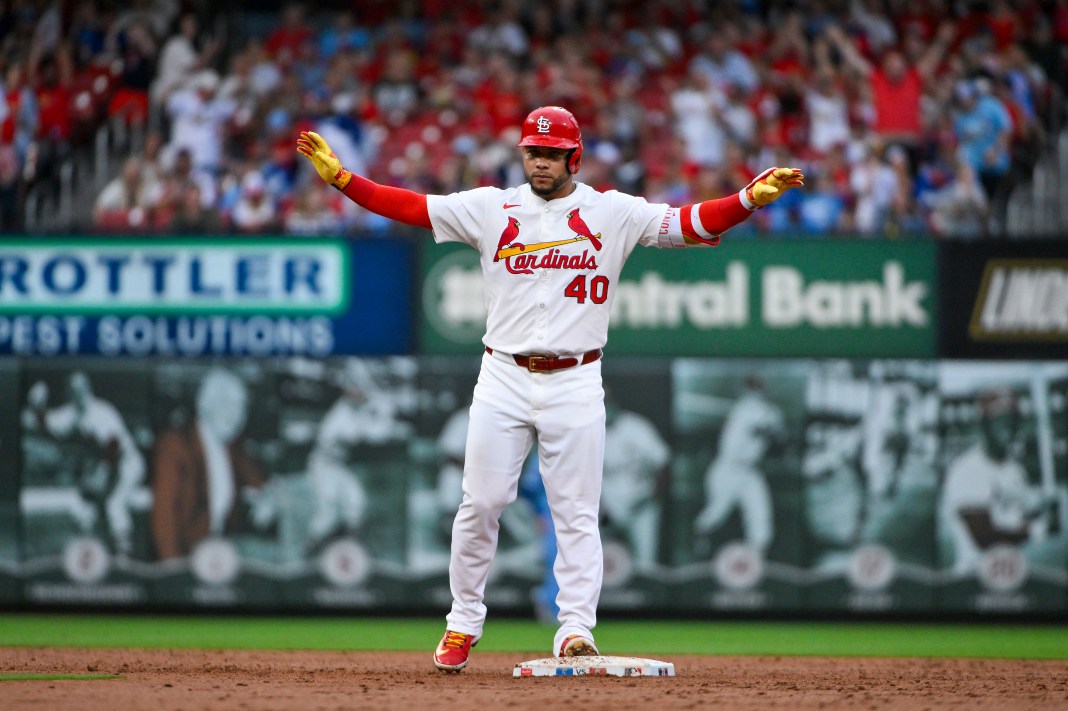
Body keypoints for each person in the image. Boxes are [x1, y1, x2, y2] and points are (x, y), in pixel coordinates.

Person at [296, 106, 803, 672]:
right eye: (533, 152)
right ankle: (463, 620)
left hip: (577, 377)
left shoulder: (611, 212)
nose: (540, 161)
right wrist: (343, 180)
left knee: (577, 512)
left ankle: (575, 630)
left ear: (574, 157)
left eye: (552, 153)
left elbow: (689, 224)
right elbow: (411, 207)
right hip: (503, 375)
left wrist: (748, 201)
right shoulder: (492, 206)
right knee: (480, 503)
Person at [150, 367, 275, 560]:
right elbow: (164, 518)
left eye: (241, 408)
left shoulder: (231, 445)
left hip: (220, 553)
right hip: (186, 558)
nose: (237, 416)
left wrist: (266, 498)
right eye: (227, 405)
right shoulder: (176, 446)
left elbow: (259, 480)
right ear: (204, 405)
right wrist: (173, 574)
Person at [22, 371, 146, 558]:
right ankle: (93, 556)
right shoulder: (71, 414)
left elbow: (114, 446)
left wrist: (101, 476)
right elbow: (42, 424)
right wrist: (36, 406)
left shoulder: (101, 412)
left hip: (127, 464)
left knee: (114, 505)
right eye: (74, 390)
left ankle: (125, 557)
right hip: (103, 468)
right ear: (69, 393)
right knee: (83, 513)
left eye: (81, 388)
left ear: (88, 389)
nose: (78, 393)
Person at [939, 388, 1053, 576]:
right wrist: (1033, 531)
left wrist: (1038, 508)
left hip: (1012, 572)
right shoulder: (967, 469)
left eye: (1012, 420)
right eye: (999, 421)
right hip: (973, 578)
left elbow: (1020, 512)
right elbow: (983, 536)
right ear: (984, 425)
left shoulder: (1015, 469)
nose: (1008, 428)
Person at [694, 376, 786, 556]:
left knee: (761, 517)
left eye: (758, 387)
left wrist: (775, 428)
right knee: (715, 513)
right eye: (752, 388)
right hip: (728, 468)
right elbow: (761, 428)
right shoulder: (743, 409)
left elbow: (780, 436)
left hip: (750, 471)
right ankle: (700, 537)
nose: (755, 392)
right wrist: (772, 426)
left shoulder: (769, 411)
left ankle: (756, 556)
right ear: (746, 390)